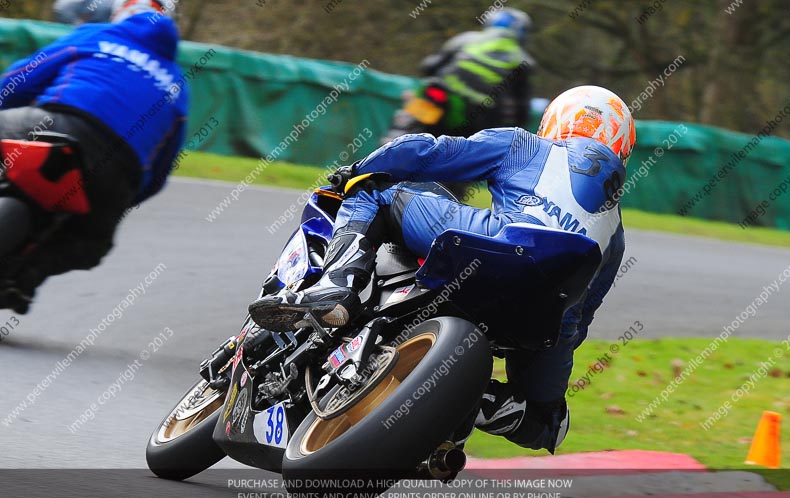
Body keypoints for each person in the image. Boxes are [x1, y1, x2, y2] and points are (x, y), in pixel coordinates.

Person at [249, 85, 636, 453]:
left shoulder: (527, 145)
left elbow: (430, 152)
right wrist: (541, 367)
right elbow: (579, 321)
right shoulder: (616, 233)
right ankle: (479, 399)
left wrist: (358, 168)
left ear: (555, 121)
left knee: (375, 193)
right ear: (623, 147)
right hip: (545, 314)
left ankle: (338, 286)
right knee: (548, 423)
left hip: (497, 246)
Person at [0, 0, 187, 313]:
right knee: (91, 244)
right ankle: (22, 279)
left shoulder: (95, 35)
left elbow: (20, 79)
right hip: (117, 172)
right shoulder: (179, 84)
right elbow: (159, 173)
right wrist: (120, 200)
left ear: (119, 13)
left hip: (52, 125)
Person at [418, 7, 535, 137]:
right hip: (479, 113)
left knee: (424, 101)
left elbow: (429, 65)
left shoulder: (466, 38)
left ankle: (399, 134)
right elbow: (521, 107)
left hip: (442, 95)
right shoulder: (523, 58)